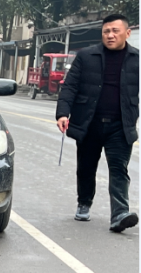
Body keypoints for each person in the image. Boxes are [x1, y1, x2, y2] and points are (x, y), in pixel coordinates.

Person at [55, 14, 139, 231]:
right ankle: (84, 202)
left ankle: (120, 214)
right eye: (106, 31)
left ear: (127, 33)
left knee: (119, 169)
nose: (110, 35)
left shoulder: (136, 59)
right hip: (89, 123)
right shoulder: (86, 56)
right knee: (86, 167)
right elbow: (70, 86)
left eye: (115, 31)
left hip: (120, 125)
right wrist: (63, 113)